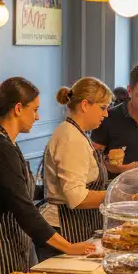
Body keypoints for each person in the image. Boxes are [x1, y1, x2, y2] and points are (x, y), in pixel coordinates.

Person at [0, 78, 95, 274]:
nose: (37, 116)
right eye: (34, 109)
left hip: (8, 242)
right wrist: (68, 247)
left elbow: (24, 194)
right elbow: (24, 208)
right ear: (18, 108)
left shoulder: (6, 143)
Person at [43, 77, 113, 257]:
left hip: (78, 226)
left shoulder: (76, 133)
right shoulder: (70, 138)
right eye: (103, 107)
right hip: (65, 229)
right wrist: (117, 195)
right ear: (84, 105)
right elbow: (77, 198)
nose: (106, 114)